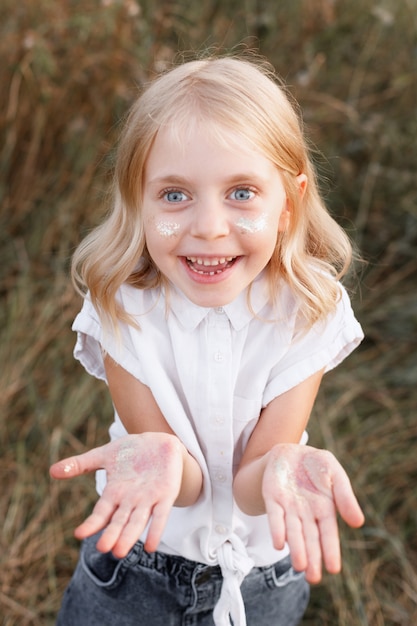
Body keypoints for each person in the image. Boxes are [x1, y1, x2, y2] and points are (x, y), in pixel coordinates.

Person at [50, 53, 365, 626]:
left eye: (241, 192)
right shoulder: (122, 305)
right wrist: (164, 454)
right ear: (138, 202)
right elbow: (186, 490)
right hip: (136, 569)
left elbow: (251, 486)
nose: (209, 226)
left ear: (288, 205)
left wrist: (281, 467)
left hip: (263, 577)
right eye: (174, 195)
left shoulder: (306, 310)